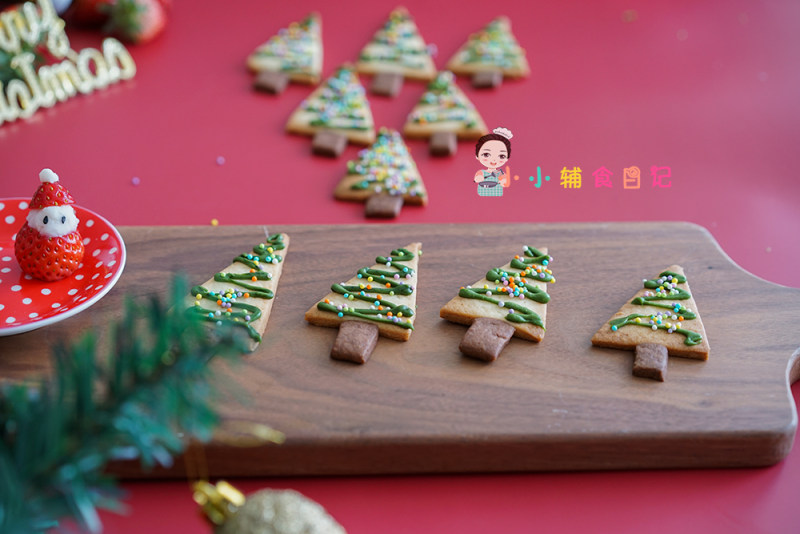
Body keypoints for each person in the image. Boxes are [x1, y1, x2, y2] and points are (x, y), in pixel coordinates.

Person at [474, 127, 512, 197]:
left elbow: (505, 181)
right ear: (477, 156)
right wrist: (478, 178)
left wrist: (504, 182)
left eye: (501, 156)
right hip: (482, 193)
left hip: (497, 194)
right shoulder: (481, 172)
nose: (494, 160)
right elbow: (477, 178)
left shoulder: (500, 173)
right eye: (486, 154)